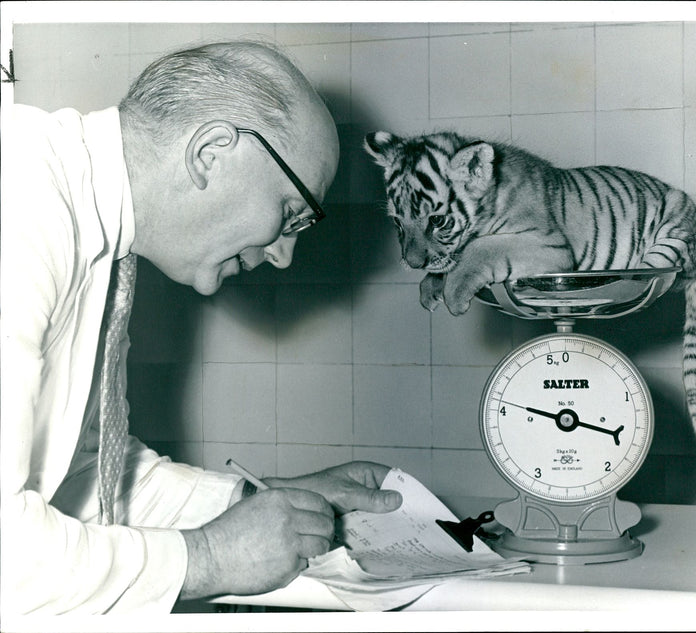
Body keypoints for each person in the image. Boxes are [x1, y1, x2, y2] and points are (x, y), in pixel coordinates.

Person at [0, 41, 402, 615]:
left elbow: (87, 478)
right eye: (292, 213)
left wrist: (262, 503)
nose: (285, 255)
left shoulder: (92, 225)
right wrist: (209, 558)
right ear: (212, 151)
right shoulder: (20, 200)